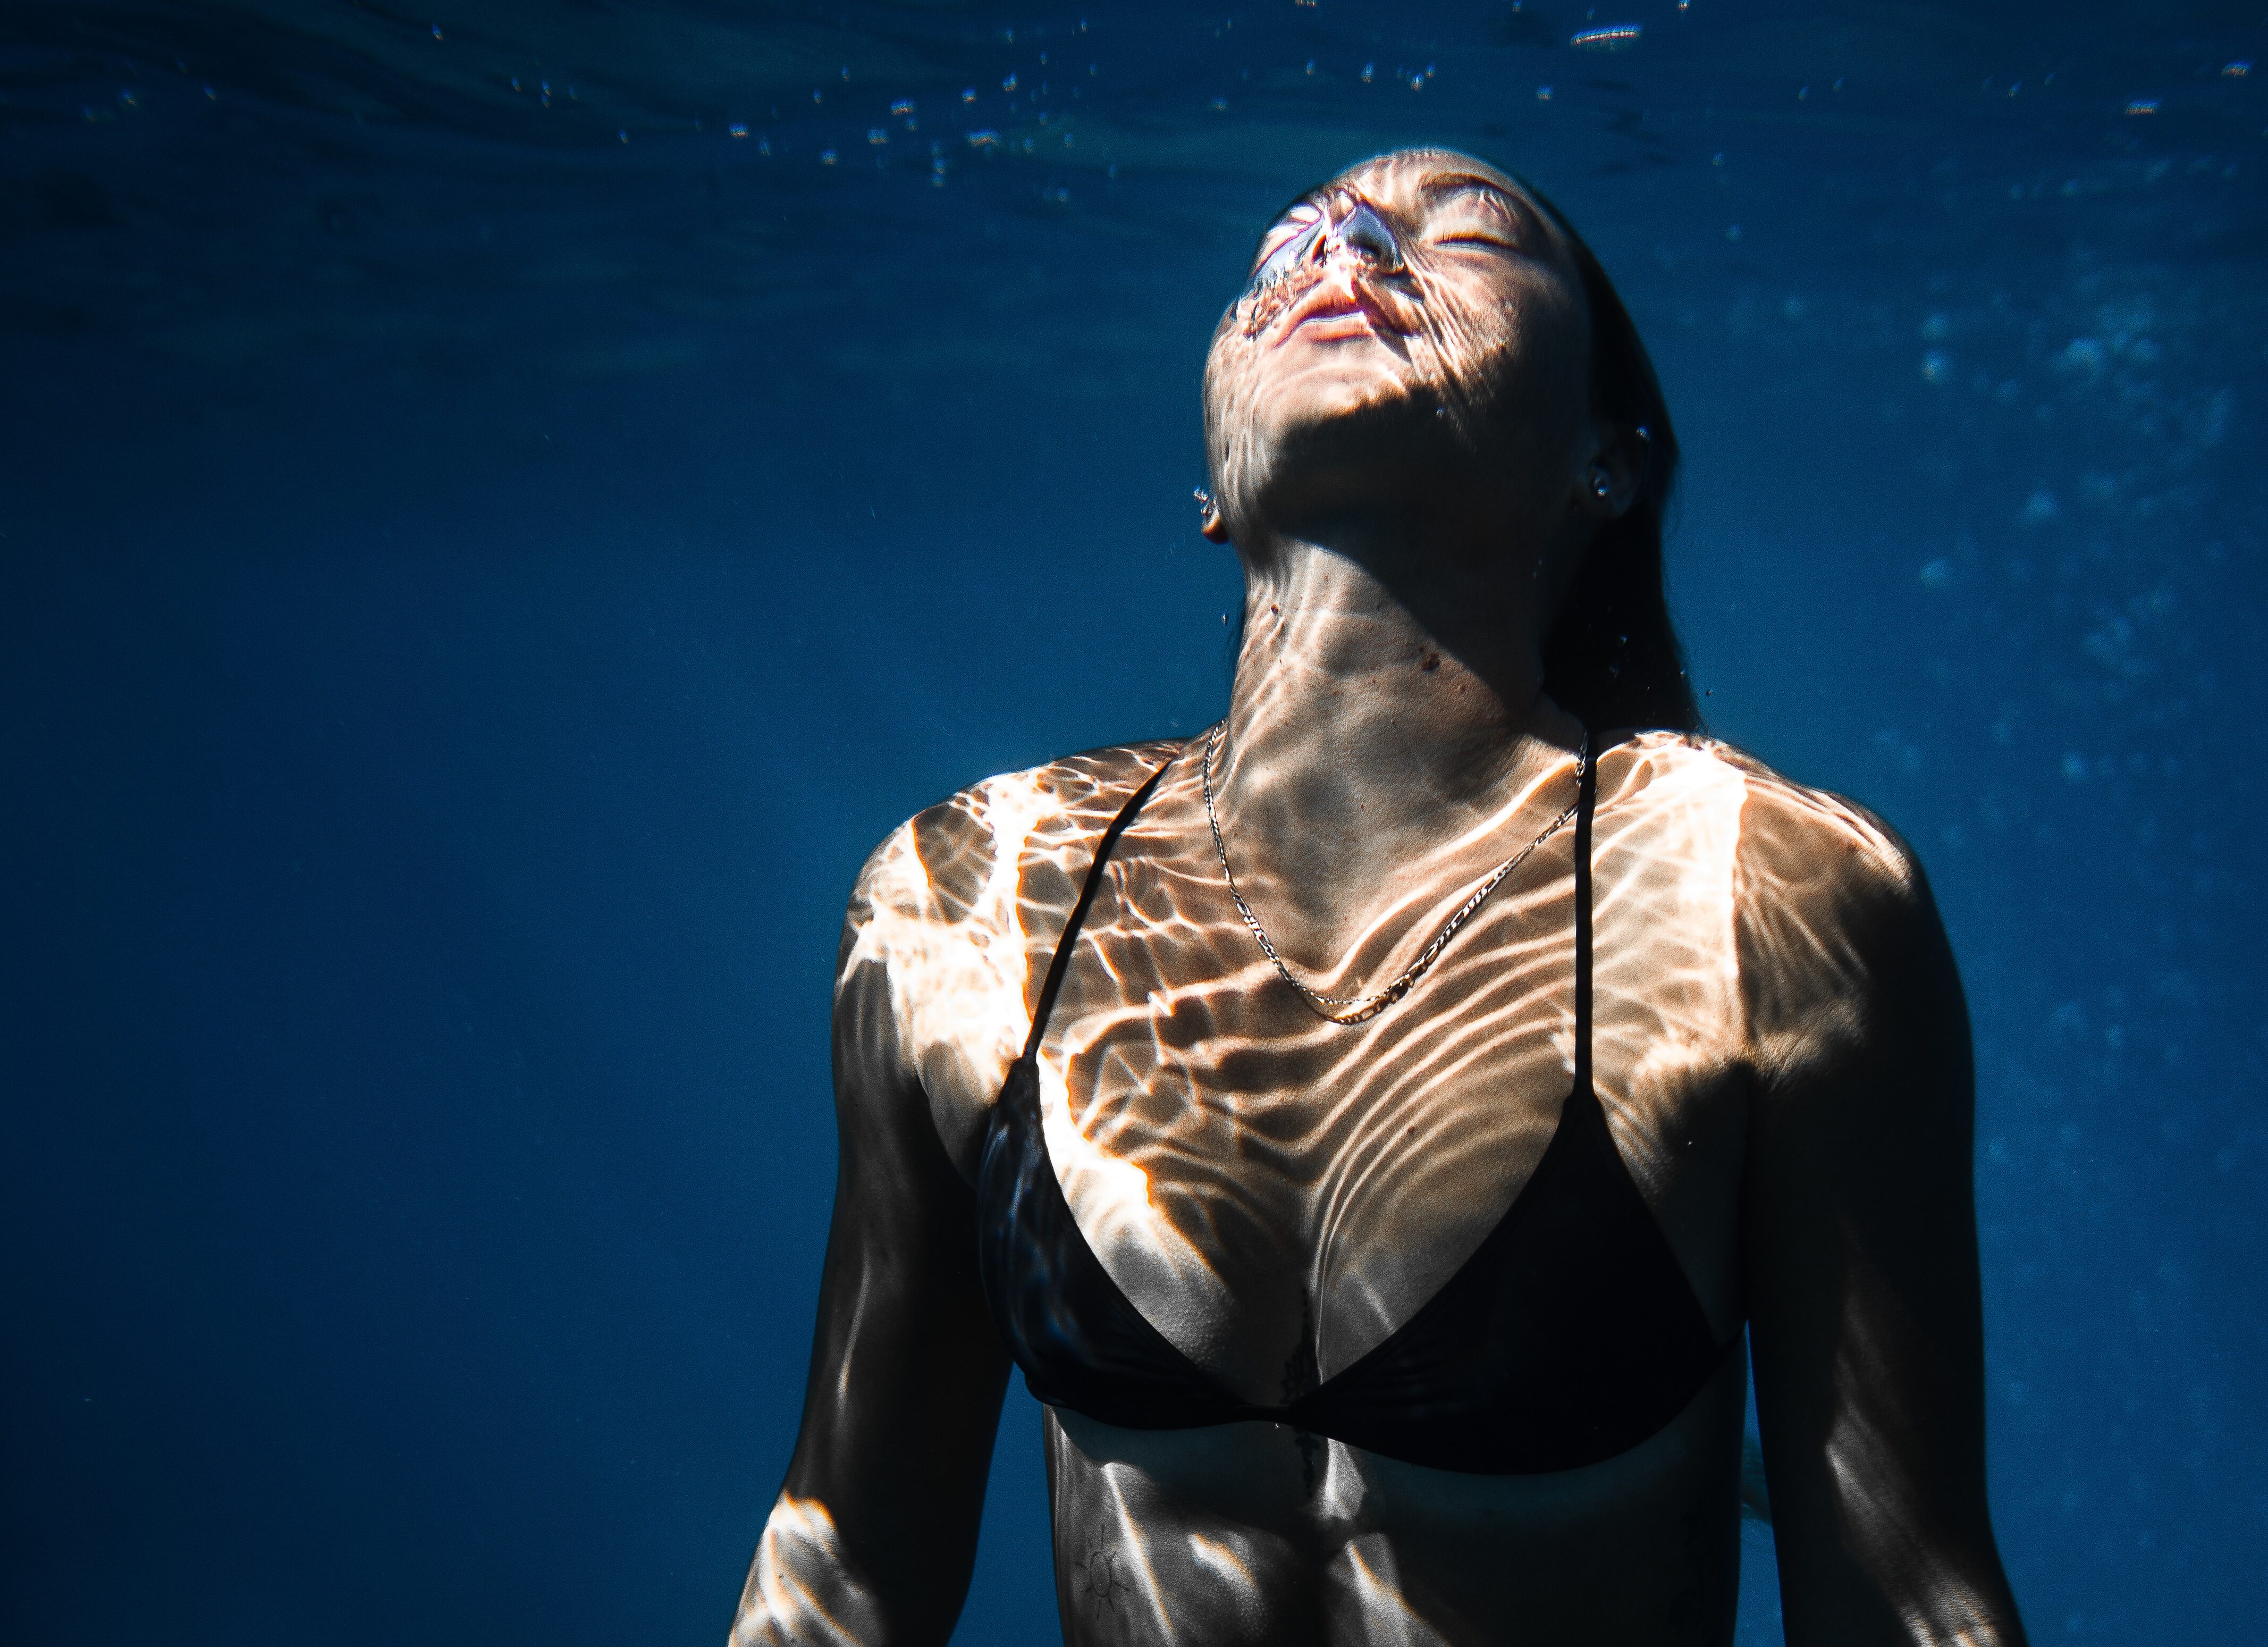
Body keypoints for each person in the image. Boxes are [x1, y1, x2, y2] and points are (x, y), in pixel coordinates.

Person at [727, 147, 2027, 1646]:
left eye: (1465, 233)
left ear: (1608, 457)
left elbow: (1907, 1601)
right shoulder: (963, 895)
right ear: (1209, 484)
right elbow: (845, 1558)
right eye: (1279, 245)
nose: (1340, 243)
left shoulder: (1770, 892)